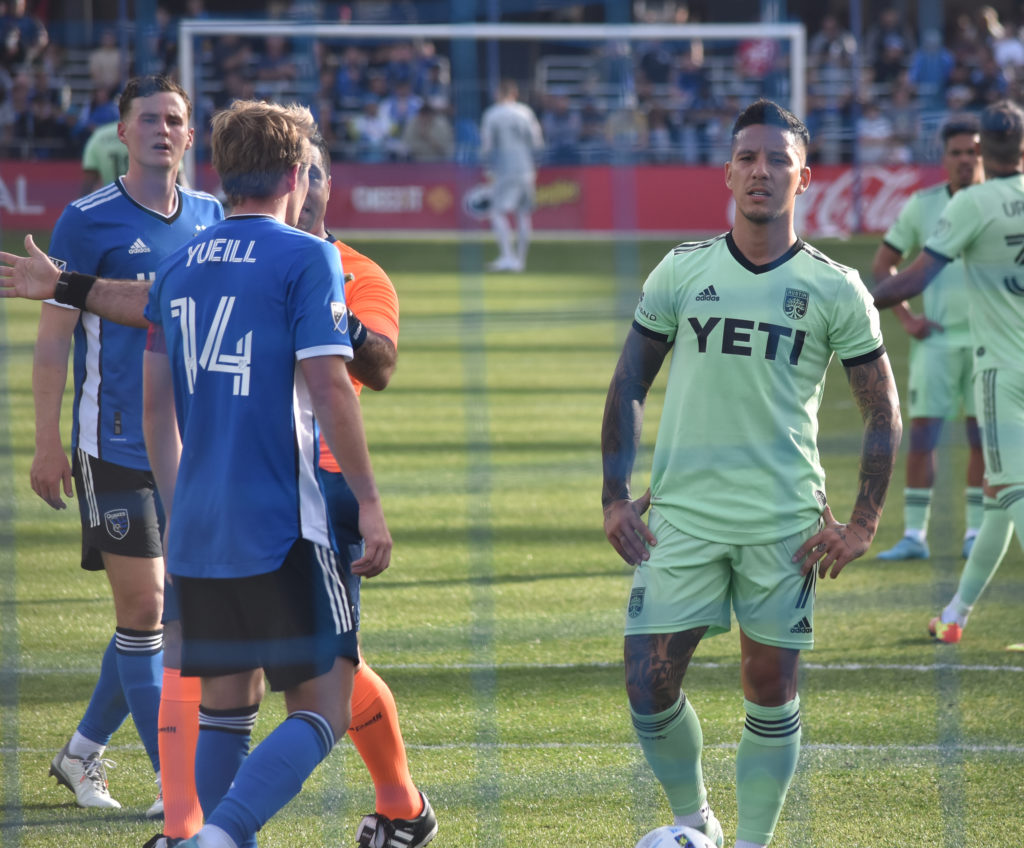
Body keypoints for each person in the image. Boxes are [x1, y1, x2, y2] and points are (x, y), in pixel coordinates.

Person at [601, 99, 901, 848]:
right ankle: (693, 818)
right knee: (648, 683)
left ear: (804, 177)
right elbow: (629, 382)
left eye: (777, 160)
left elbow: (882, 410)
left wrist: (862, 522)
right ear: (726, 172)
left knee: (770, 688)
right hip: (683, 517)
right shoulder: (683, 269)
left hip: (783, 523)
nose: (760, 171)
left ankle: (754, 844)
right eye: (748, 158)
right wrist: (613, 496)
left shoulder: (835, 287)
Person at [30, 74, 222, 814]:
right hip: (110, 441)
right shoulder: (87, 220)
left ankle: (81, 755)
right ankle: (182, 789)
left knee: (165, 612)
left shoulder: (211, 216)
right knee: (146, 609)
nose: (163, 130)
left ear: (190, 135)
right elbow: (53, 342)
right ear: (122, 131)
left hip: (194, 447)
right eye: (149, 118)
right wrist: (46, 443)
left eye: (175, 119)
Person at [300, 134, 437, 848]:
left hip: (324, 482)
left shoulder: (360, 273)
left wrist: (324, 305)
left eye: (317, 168)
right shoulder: (224, 251)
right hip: (230, 472)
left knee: (320, 666)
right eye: (297, 167)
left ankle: (403, 804)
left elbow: (379, 365)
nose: (308, 179)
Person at [873, 100, 1024, 647]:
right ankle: (956, 614)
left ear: (985, 146)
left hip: (1002, 371)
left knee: (1008, 487)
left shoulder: (974, 204)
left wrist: (843, 305)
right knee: (997, 498)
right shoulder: (935, 203)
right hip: (978, 354)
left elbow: (910, 278)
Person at [873, 117, 986, 562]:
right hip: (935, 342)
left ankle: (976, 531)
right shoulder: (922, 205)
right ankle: (914, 536)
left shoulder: (1000, 203)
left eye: (973, 151)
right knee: (922, 436)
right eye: (957, 152)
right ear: (944, 158)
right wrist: (905, 318)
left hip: (987, 344)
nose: (965, 159)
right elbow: (884, 264)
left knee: (982, 437)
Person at [479, 79, 544, 273]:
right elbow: (537, 141)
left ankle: (508, 256)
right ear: (514, 93)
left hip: (505, 169)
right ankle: (520, 261)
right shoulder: (526, 112)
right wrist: (535, 165)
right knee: (523, 213)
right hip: (526, 167)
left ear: (499, 93)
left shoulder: (492, 114)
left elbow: (487, 146)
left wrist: (487, 167)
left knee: (497, 212)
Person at [80, 119, 129, 194]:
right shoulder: (141, 133)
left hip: (111, 197)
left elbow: (90, 178)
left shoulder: (98, 135)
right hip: (142, 198)